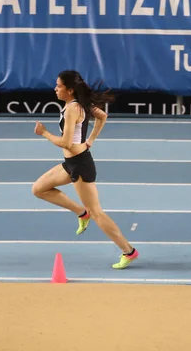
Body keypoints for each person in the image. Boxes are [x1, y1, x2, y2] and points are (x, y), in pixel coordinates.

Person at [32, 70, 139, 269]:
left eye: (59, 86)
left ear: (70, 90)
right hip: (71, 164)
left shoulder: (73, 108)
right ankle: (81, 213)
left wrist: (44, 133)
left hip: (80, 165)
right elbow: (102, 116)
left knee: (97, 213)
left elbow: (67, 143)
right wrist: (90, 140)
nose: (55, 89)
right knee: (39, 189)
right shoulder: (79, 104)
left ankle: (128, 251)